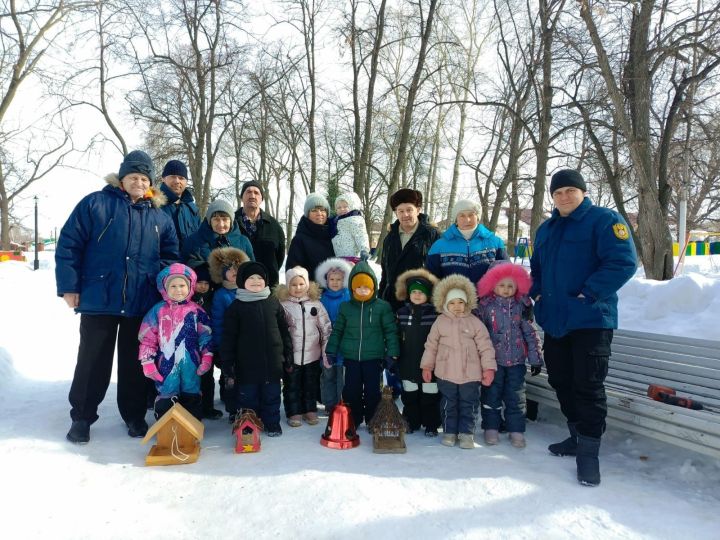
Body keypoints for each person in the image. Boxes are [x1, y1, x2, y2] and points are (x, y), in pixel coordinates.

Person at [56, 150, 179, 444]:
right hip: (100, 298)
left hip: (141, 302)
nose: (138, 182)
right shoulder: (95, 204)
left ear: (150, 183)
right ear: (121, 179)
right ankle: (82, 417)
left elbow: (170, 257)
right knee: (92, 360)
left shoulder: (159, 217)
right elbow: (70, 244)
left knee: (135, 363)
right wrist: (69, 286)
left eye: (143, 178)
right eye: (133, 177)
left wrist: (157, 282)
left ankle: (134, 416)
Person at [530, 168, 637, 486]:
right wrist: (536, 291)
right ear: (552, 196)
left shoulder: (605, 221)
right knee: (561, 380)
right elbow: (536, 267)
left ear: (583, 192)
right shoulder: (546, 229)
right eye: (558, 192)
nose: (564, 196)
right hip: (555, 320)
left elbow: (623, 262)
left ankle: (589, 452)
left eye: (570, 191)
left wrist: (588, 292)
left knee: (588, 385)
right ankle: (576, 435)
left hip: (591, 319)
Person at [420, 274, 496, 449]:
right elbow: (431, 345)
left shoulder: (475, 323)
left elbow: (485, 347)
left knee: (469, 404)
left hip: (470, 374)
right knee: (449, 403)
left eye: (460, 302)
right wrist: (427, 366)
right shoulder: (440, 322)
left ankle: (466, 433)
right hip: (446, 373)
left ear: (467, 302)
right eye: (452, 303)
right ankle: (449, 431)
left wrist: (488, 369)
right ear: (445, 304)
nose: (457, 307)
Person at [325, 258, 400, 428]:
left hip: (374, 358)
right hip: (351, 358)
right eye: (358, 287)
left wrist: (392, 353)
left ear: (373, 287)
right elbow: (338, 330)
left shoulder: (382, 307)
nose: (362, 290)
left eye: (366, 287)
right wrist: (331, 350)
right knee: (351, 390)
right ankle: (354, 418)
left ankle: (373, 419)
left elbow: (390, 331)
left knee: (373, 391)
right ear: (352, 288)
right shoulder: (346, 307)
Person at [220, 261, 292, 437]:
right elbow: (228, 338)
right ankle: (249, 423)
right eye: (250, 277)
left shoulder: (273, 303)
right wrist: (228, 364)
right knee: (247, 397)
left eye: (260, 277)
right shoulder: (235, 308)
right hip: (247, 365)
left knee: (272, 395)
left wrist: (288, 354)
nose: (255, 281)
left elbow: (284, 331)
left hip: (272, 363)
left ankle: (272, 422)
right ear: (242, 281)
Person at [475, 262, 543, 448]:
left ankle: (516, 430)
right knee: (491, 395)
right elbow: (478, 333)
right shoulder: (485, 307)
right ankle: (491, 427)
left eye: (510, 286)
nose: (506, 290)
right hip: (493, 362)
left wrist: (536, 358)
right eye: (501, 285)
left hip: (516, 361)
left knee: (516, 396)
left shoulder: (522, 306)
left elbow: (530, 332)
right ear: (492, 285)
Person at [138, 263, 213, 421]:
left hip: (191, 362)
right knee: (167, 391)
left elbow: (205, 336)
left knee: (191, 391)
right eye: (173, 286)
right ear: (164, 288)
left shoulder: (197, 311)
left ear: (190, 286)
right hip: (166, 363)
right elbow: (147, 338)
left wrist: (207, 357)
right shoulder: (157, 311)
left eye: (182, 285)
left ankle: (190, 428)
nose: (178, 290)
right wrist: (147, 362)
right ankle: (167, 428)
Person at [275, 266, 332, 427]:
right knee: (292, 385)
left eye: (301, 284)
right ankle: (294, 411)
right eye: (293, 285)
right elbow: (278, 330)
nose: (298, 288)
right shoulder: (282, 305)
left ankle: (309, 408)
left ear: (307, 284)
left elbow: (326, 329)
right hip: (291, 355)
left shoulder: (316, 304)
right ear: (287, 286)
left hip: (312, 355)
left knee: (310, 384)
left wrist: (326, 352)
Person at [394, 268, 440, 436]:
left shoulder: (435, 315)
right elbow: (396, 335)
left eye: (421, 292)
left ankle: (431, 424)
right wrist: (393, 355)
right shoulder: (402, 313)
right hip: (408, 364)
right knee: (410, 395)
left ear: (428, 295)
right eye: (414, 292)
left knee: (430, 396)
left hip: (430, 365)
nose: (417, 295)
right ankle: (411, 422)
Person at [379, 188, 440, 312]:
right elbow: (385, 273)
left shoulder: (432, 235)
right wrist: (380, 299)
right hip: (393, 303)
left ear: (418, 210)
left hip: (421, 303)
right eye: (400, 211)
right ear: (396, 213)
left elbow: (440, 270)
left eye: (409, 210)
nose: (405, 215)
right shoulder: (389, 238)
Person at [208, 247, 250, 418]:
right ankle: (232, 407)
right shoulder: (220, 295)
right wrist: (219, 346)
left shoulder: (248, 291)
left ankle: (247, 404)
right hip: (229, 343)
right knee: (230, 377)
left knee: (246, 376)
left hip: (247, 343)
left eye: (237, 269)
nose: (234, 272)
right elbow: (217, 322)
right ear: (222, 273)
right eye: (229, 269)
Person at [426, 199, 507, 283]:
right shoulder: (439, 246)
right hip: (452, 296)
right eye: (462, 215)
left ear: (478, 217)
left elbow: (508, 276)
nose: (467, 220)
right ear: (456, 219)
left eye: (471, 215)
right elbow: (431, 279)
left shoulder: (495, 243)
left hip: (487, 296)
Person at [314, 258, 353, 414]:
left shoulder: (348, 296)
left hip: (344, 342)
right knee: (328, 374)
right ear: (326, 280)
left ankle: (341, 404)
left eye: (339, 279)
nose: (335, 282)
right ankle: (329, 405)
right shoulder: (322, 298)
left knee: (342, 376)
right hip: (327, 343)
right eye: (332, 279)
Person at [234, 180, 286, 288]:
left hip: (267, 288)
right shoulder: (231, 222)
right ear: (241, 197)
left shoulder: (274, 226)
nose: (252, 195)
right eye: (248, 192)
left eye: (256, 193)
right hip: (236, 288)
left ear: (261, 198)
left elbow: (279, 257)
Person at [182, 198, 255, 268]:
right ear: (209, 221)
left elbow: (252, 269)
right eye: (216, 220)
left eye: (225, 219)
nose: (221, 224)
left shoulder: (244, 241)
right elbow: (185, 268)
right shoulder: (193, 241)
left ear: (231, 221)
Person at [286, 192, 335, 280]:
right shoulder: (300, 240)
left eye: (323, 210)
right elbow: (293, 272)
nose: (319, 213)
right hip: (311, 291)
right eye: (314, 210)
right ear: (307, 214)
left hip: (337, 290)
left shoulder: (334, 235)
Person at [158, 159, 202, 252]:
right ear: (163, 178)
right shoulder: (154, 205)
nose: (177, 181)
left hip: (189, 264)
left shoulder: (193, 210)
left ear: (186, 181)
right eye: (173, 177)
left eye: (181, 178)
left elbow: (200, 241)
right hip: (163, 264)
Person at [330, 191, 370, 261]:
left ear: (351, 207)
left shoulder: (355, 220)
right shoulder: (335, 222)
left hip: (352, 258)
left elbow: (361, 235)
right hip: (339, 258)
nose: (342, 209)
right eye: (339, 207)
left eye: (345, 206)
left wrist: (364, 249)